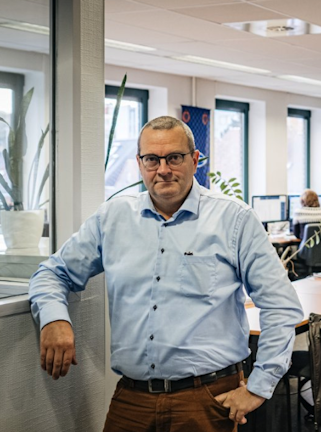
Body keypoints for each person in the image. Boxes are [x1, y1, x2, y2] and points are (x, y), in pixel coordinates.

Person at [29, 116, 303, 432]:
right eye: (152, 159)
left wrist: (258, 387)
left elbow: (281, 306)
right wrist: (54, 319)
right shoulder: (113, 218)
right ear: (139, 163)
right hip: (132, 399)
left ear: (194, 160)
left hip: (207, 399)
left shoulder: (234, 219)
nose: (163, 169)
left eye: (174, 157)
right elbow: (52, 273)